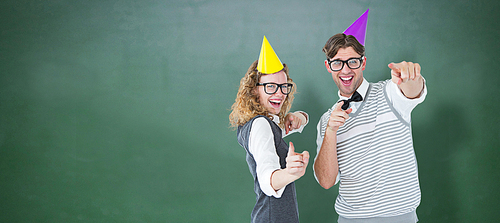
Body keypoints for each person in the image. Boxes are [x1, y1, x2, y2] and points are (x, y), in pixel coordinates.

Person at [313, 9, 427, 223]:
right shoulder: (326, 121)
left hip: (398, 217)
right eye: (337, 62)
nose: (345, 70)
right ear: (329, 67)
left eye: (353, 62)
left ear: (363, 63)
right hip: (350, 218)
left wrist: (410, 76)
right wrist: (330, 132)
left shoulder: (390, 93)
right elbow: (326, 181)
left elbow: (412, 91)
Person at [229, 36, 310, 223]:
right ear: (255, 90)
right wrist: (291, 172)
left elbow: (296, 122)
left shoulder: (257, 123)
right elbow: (267, 180)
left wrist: (299, 116)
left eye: (283, 86)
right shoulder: (261, 126)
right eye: (271, 86)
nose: (280, 93)